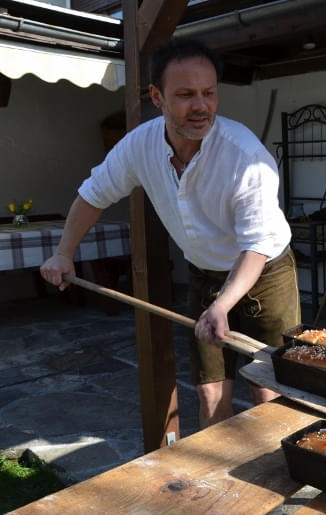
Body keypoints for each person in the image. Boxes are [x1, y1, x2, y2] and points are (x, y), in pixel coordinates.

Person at [40, 38, 300, 428]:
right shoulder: (138, 146)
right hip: (205, 273)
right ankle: (217, 482)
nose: (201, 106)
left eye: (208, 93)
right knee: (210, 389)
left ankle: (279, 476)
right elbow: (93, 195)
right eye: (185, 95)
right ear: (157, 97)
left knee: (268, 389)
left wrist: (223, 305)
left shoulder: (245, 156)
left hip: (265, 273)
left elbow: (257, 244)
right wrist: (64, 252)